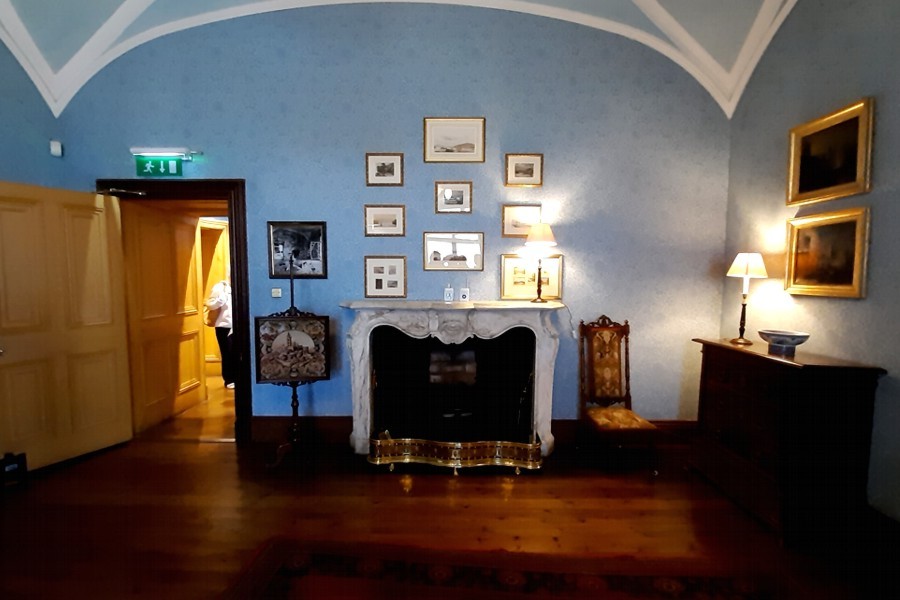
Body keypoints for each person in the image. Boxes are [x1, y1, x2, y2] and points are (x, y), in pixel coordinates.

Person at [205, 278, 235, 389]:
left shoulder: (241, 285)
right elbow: (210, 305)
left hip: (239, 325)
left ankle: (239, 378)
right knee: (227, 354)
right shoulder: (220, 287)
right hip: (224, 327)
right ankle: (229, 379)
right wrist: (220, 300)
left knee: (238, 353)